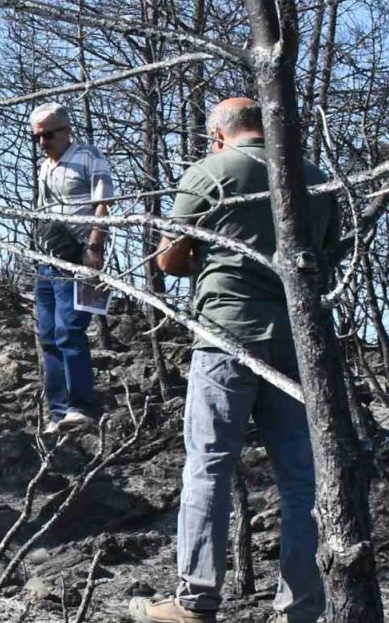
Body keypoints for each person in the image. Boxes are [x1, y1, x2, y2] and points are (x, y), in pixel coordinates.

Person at [128, 98, 337, 623]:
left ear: (217, 136)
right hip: (297, 341)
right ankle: (302, 608)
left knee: (209, 466)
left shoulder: (210, 171)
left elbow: (170, 259)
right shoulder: (311, 177)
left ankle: (196, 601)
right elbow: (327, 259)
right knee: (301, 479)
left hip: (226, 333)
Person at [30, 102, 112, 435]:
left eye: (48, 134)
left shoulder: (89, 156)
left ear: (66, 130)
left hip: (77, 257)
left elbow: (104, 203)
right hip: (47, 259)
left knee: (69, 331)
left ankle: (81, 408)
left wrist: (93, 248)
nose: (42, 142)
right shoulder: (45, 168)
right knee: (48, 335)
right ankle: (58, 412)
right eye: (36, 136)